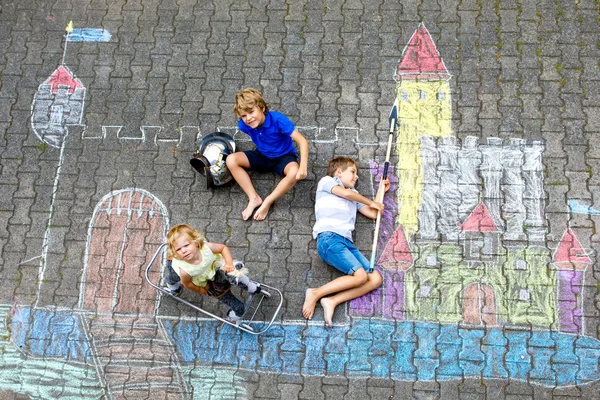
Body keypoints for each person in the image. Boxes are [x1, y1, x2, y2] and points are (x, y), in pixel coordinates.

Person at [302, 156, 389, 327]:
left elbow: (373, 213)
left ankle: (332, 301)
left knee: (375, 278)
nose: (356, 177)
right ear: (339, 172)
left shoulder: (354, 195)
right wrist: (371, 201)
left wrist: (381, 191)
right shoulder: (327, 182)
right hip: (329, 238)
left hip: (346, 243)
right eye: (353, 172)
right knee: (361, 276)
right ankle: (315, 293)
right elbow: (345, 193)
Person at [226, 88, 309, 221]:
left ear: (262, 107)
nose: (248, 118)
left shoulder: (278, 120)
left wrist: (303, 167)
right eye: (243, 115)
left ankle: (267, 201)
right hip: (263, 155)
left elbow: (302, 141)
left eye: (251, 112)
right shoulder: (243, 125)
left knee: (294, 172)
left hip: (284, 157)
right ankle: (254, 198)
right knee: (231, 160)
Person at [164, 224, 269, 321]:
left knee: (233, 272)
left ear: (196, 242)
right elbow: (187, 283)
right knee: (174, 278)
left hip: (214, 268)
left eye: (186, 245)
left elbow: (223, 248)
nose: (183, 250)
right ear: (175, 253)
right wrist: (200, 290)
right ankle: (172, 286)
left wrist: (229, 263)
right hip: (199, 278)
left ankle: (249, 285)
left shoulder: (206, 248)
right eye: (178, 249)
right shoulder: (184, 270)